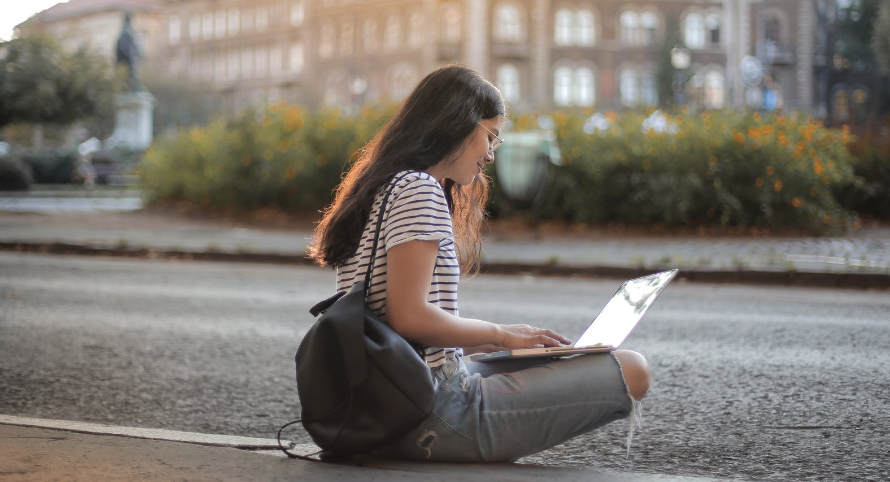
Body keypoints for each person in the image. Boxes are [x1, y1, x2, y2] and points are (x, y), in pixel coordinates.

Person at [308, 64, 650, 463]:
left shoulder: (378, 187)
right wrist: (503, 338)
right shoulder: (419, 188)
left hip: (386, 399)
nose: (490, 154)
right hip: (426, 412)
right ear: (455, 123)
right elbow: (408, 318)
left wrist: (504, 336)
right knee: (632, 369)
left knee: (555, 359)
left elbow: (393, 320)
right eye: (490, 136)